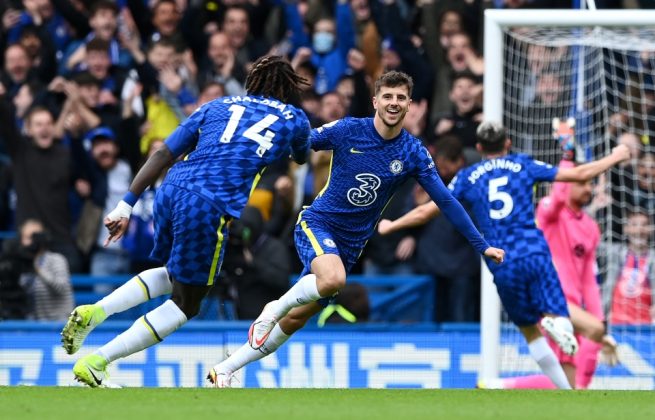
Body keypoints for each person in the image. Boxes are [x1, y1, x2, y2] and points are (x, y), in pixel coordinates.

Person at [207, 70, 505, 387]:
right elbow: (302, 143)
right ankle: (273, 308)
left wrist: (481, 244)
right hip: (317, 223)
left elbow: (445, 201)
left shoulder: (413, 152)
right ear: (375, 101)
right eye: (387, 96)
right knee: (330, 280)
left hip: (349, 247)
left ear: (409, 104)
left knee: (296, 318)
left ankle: (226, 368)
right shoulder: (348, 130)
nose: (393, 102)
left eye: (400, 97)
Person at [60, 55, 311, 388]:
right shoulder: (294, 118)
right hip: (209, 203)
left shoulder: (217, 105)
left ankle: (97, 311)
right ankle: (98, 361)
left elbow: (163, 153)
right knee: (187, 303)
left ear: (251, 83)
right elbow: (302, 155)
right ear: (288, 89)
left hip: (171, 189)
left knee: (173, 272)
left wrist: (125, 205)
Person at [378, 121, 630, 389]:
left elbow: (426, 211)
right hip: (533, 252)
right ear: (507, 143)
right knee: (559, 315)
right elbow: (579, 174)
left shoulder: (467, 177)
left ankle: (565, 387)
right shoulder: (523, 164)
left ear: (478, 147)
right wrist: (615, 156)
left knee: (530, 332)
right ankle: (559, 324)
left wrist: (392, 225)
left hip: (501, 261)